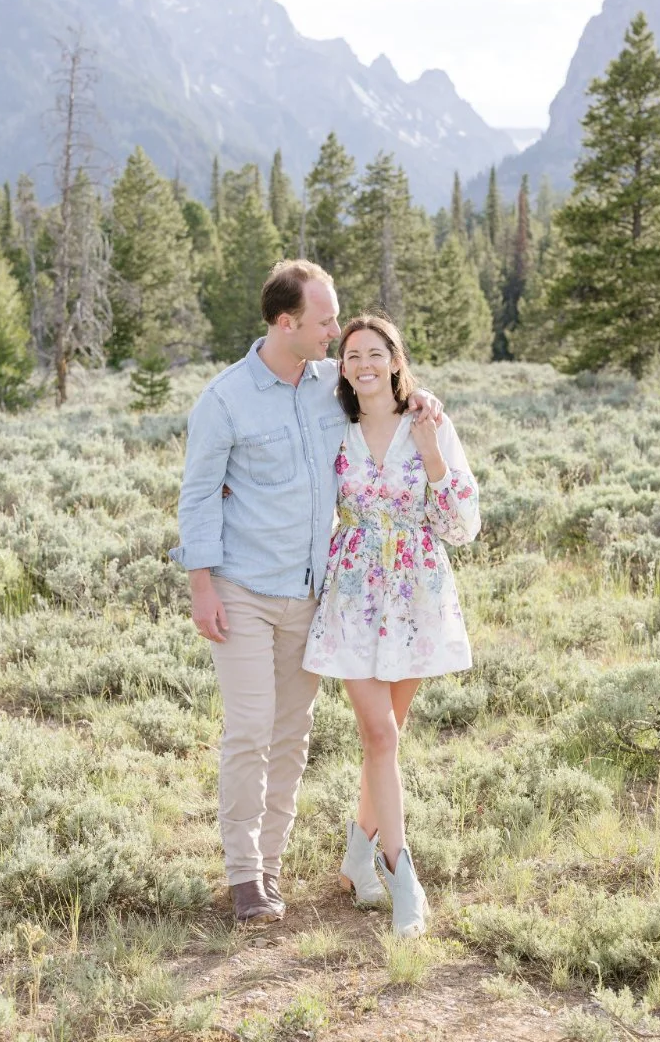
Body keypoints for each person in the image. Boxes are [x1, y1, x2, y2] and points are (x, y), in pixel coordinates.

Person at [169, 261, 443, 924]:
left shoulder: (330, 385)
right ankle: (245, 876)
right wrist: (201, 585)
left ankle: (270, 866)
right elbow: (199, 493)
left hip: (313, 594)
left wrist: (424, 404)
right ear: (286, 322)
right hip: (241, 589)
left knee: (292, 735)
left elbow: (383, 392)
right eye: (324, 320)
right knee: (251, 729)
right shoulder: (227, 397)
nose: (334, 329)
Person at [303, 315, 480, 937]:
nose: (364, 364)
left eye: (376, 353)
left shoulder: (430, 423)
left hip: (415, 596)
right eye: (352, 355)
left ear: (397, 361)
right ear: (343, 367)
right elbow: (305, 501)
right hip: (352, 597)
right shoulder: (334, 428)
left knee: (389, 737)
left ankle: (356, 858)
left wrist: (432, 456)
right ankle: (402, 873)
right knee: (380, 735)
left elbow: (462, 527)